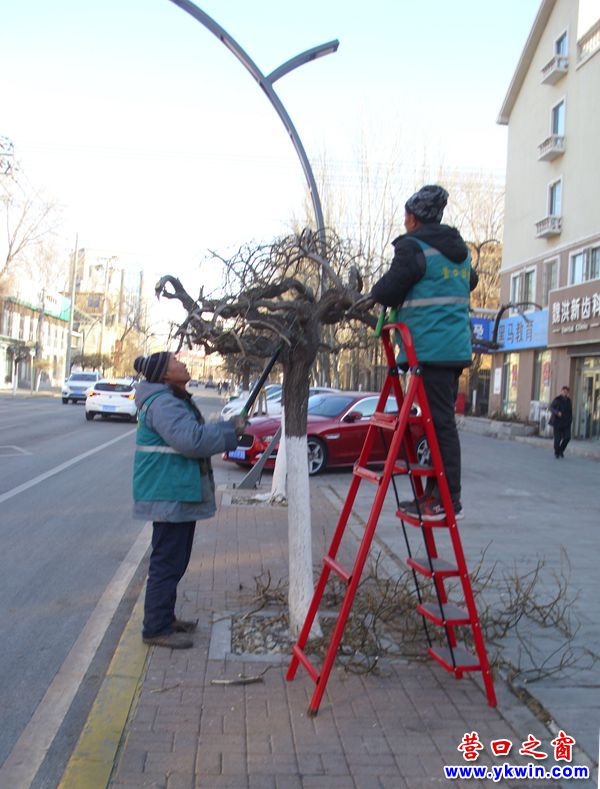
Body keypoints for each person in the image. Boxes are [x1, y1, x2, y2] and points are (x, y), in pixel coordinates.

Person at [370, 184, 478, 521]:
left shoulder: (413, 248)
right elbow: (470, 281)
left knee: (441, 423)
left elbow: (389, 289)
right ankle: (435, 494)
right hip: (452, 348)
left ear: (414, 218)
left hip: (428, 350)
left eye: (406, 216)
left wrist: (374, 292)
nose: (404, 222)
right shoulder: (457, 253)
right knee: (435, 423)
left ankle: (449, 499)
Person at [132, 351, 246, 649]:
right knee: (167, 563)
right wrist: (230, 431)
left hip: (175, 491)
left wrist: (225, 427)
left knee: (175, 561)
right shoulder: (164, 403)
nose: (183, 363)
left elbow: (193, 432)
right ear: (165, 375)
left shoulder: (171, 398)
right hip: (168, 491)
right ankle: (155, 628)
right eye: (176, 362)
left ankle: (164, 619)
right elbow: (191, 440)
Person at [550, 385, 572, 459]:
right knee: (557, 439)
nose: (565, 393)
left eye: (566, 392)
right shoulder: (557, 399)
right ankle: (557, 452)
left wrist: (570, 420)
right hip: (557, 422)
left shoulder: (569, 400)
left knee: (567, 437)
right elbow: (551, 407)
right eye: (564, 391)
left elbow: (570, 411)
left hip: (566, 423)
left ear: (568, 393)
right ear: (561, 391)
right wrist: (557, 412)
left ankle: (561, 450)